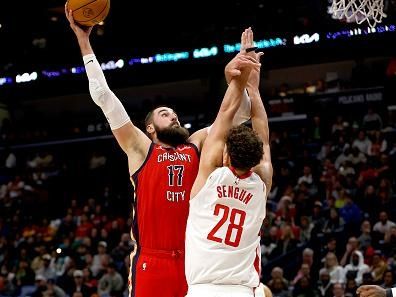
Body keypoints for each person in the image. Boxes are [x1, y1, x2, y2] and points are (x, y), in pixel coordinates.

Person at [65, 6, 257, 297]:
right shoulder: (140, 148)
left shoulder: (196, 145)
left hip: (195, 260)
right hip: (152, 260)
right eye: (165, 114)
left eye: (175, 114)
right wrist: (84, 41)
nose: (174, 117)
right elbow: (104, 96)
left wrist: (242, 72)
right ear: (151, 128)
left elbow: (237, 114)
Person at [185, 28, 273, 297]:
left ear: (225, 156)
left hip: (202, 290)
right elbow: (264, 138)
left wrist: (240, 74)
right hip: (242, 290)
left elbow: (225, 114)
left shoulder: (209, 179)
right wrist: (254, 90)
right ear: (257, 159)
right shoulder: (261, 185)